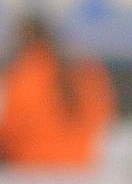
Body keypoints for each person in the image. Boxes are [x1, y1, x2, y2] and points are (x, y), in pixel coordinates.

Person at [0, 17, 115, 171]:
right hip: (81, 173)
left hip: (30, 176)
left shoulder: (22, 76)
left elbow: (9, 131)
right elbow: (104, 118)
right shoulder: (86, 74)